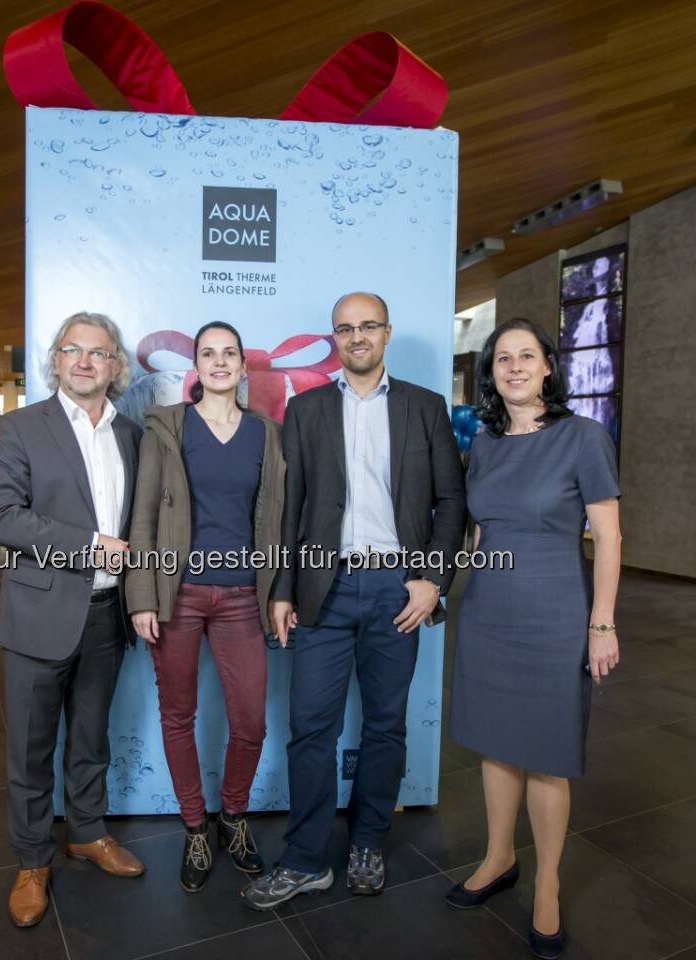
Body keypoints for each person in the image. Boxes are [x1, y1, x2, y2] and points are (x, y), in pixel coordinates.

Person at [241, 292, 465, 910]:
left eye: (368, 326)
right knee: (311, 727)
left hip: (399, 590)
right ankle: (307, 859)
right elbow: (290, 511)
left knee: (385, 726)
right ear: (334, 338)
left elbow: (452, 501)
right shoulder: (306, 409)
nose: (357, 336)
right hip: (324, 588)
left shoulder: (425, 407)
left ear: (387, 333)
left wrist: (433, 580)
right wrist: (283, 587)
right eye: (346, 328)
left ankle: (368, 843)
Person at [444, 317, 621, 960]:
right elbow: (481, 529)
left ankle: (546, 881)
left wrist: (601, 622)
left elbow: (608, 538)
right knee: (495, 745)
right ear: (491, 374)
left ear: (548, 364)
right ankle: (497, 858)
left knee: (546, 752)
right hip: (492, 609)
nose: (514, 367)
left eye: (526, 356)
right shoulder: (486, 444)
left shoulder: (583, 437)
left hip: (555, 611)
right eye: (501, 359)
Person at [0, 311, 145, 929]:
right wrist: (88, 545)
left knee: (91, 739)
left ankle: (89, 832)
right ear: (55, 361)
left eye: (97, 352)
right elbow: (0, 517)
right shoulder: (18, 428)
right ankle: (31, 860)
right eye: (72, 350)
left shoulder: (130, 434)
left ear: (114, 366)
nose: (84, 361)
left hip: (108, 615)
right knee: (29, 750)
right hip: (38, 616)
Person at [126, 321, 285, 892]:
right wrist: (142, 595)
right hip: (179, 596)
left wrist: (278, 593)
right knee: (178, 716)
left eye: (230, 353)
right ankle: (195, 825)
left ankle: (233, 817)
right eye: (208, 353)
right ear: (196, 365)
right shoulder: (168, 427)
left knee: (250, 721)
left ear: (244, 366)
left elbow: (276, 518)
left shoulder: (265, 434)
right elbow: (143, 517)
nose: (220, 362)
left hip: (243, 596)